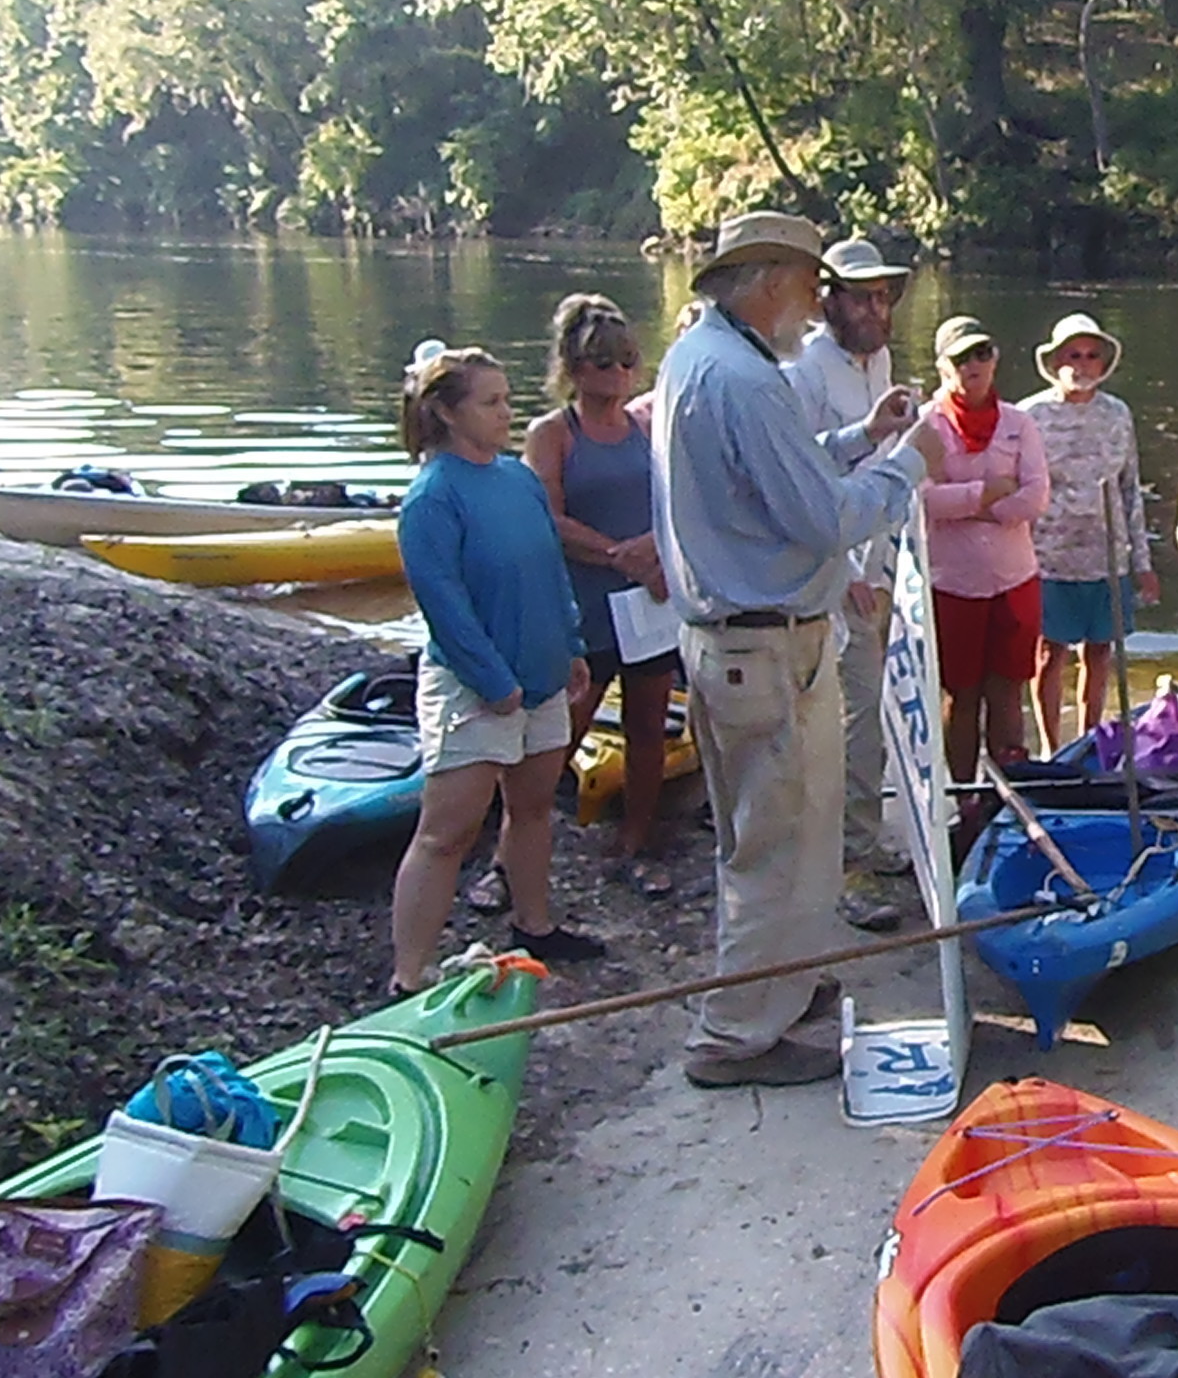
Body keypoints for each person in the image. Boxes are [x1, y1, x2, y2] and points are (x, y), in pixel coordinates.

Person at [652, 212, 941, 1089]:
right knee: (773, 844)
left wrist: (861, 440)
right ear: (770, 280)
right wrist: (912, 460)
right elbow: (824, 520)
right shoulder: (743, 378)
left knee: (778, 834)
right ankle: (736, 1036)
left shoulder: (703, 359)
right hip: (763, 646)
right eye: (812, 284)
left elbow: (775, 478)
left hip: (738, 642)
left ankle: (775, 990)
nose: (819, 304)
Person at [390, 344, 602, 995]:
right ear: (449, 414)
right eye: (491, 402)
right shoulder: (432, 498)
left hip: (541, 675)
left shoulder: (517, 480)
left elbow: (549, 570)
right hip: (474, 688)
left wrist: (570, 644)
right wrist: (494, 682)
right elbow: (445, 606)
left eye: (508, 399)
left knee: (534, 808)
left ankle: (533, 924)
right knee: (446, 832)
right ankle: (408, 974)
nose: (507, 412)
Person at [783, 234, 916, 934]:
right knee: (847, 721)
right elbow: (800, 485)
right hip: (832, 581)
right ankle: (847, 866)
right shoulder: (803, 371)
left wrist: (889, 563)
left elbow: (880, 465)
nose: (874, 307)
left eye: (882, 295)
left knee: (872, 717)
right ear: (826, 298)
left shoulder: (882, 362)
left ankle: (861, 839)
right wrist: (845, 579)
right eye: (860, 294)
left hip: (880, 565)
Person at [522, 294, 676, 897]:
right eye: (601, 363)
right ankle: (516, 851)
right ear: (573, 367)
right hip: (585, 604)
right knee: (559, 731)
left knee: (648, 725)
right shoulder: (554, 433)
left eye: (626, 362)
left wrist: (654, 552)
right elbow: (546, 517)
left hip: (645, 605)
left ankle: (637, 839)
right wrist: (618, 554)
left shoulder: (643, 427)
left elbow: (671, 506)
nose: (615, 375)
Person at [921, 314, 1052, 794]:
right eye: (961, 358)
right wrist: (987, 493)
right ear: (943, 367)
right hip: (953, 584)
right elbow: (923, 498)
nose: (973, 365)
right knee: (961, 695)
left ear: (995, 360)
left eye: (982, 354)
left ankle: (1009, 793)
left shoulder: (1021, 423)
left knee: (1008, 692)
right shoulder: (926, 426)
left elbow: (1036, 496)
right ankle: (960, 799)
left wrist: (974, 506)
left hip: (1014, 579)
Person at [1020, 312, 1160, 750]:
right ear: (1055, 361)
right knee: (1049, 655)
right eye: (1072, 355)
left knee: (1100, 653)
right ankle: (1050, 747)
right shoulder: (1030, 416)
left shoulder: (1118, 414)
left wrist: (1143, 563)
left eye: (1091, 356)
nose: (1081, 364)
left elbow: (1130, 488)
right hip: (1048, 558)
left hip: (1107, 557)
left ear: (1103, 363)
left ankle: (1089, 740)